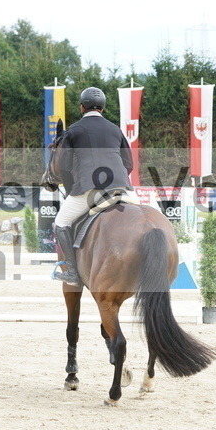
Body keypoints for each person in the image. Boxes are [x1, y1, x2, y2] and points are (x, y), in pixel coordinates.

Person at [51, 87, 134, 285]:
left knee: (61, 222)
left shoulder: (73, 130)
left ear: (81, 107)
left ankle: (71, 270)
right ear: (103, 108)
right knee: (147, 215)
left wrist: (73, 190)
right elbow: (129, 164)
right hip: (122, 188)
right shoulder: (116, 129)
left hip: (89, 189)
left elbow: (64, 166)